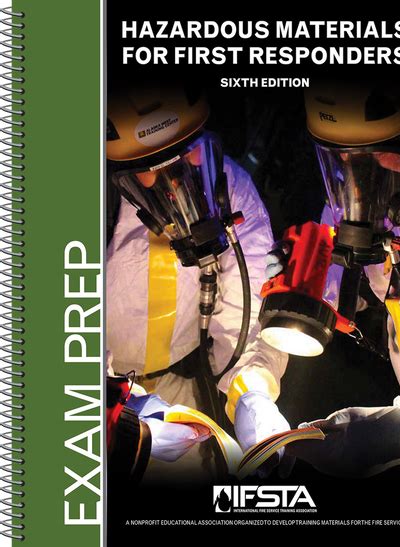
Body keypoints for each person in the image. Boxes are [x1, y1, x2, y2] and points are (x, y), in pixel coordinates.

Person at [106, 85, 289, 481]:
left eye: (188, 152)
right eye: (153, 167)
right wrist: (115, 416)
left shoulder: (229, 187)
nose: (176, 180)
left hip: (180, 381)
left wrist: (252, 392)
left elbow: (248, 305)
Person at [270, 83, 400, 477]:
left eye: (375, 155)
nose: (358, 174)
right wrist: (299, 283)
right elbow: (336, 279)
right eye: (342, 157)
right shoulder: (368, 193)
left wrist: (398, 432)